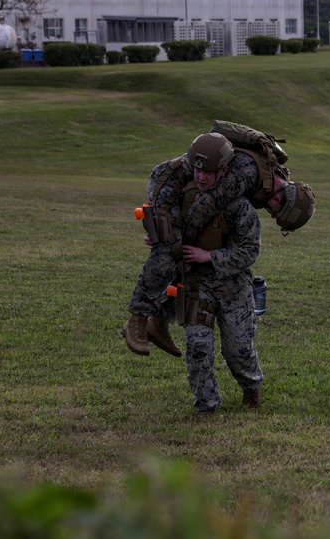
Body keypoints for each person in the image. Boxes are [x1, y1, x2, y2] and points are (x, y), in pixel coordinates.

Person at [122, 131, 314, 357]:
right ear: (285, 190)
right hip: (168, 182)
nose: (271, 207)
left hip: (190, 189)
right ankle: (137, 320)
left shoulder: (269, 177)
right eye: (277, 204)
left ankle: (159, 323)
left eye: (274, 213)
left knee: (189, 262)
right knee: (168, 250)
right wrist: (167, 236)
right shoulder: (247, 176)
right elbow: (203, 210)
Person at [171, 135, 264, 414]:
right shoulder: (183, 197)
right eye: (196, 169)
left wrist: (208, 256)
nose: (200, 176)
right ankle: (206, 405)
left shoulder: (237, 204)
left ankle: (251, 387)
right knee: (198, 347)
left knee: (238, 350)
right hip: (195, 285)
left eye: (208, 172)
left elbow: (250, 250)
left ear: (223, 171)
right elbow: (168, 230)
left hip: (233, 287)